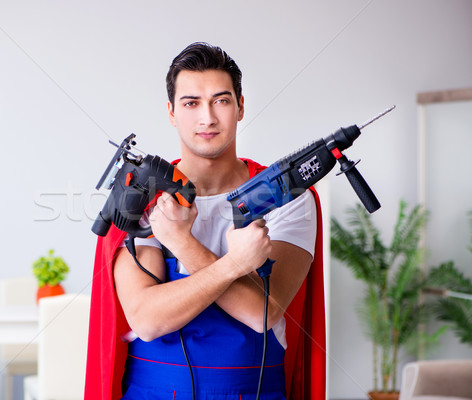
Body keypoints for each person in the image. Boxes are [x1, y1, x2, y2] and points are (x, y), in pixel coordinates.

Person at [85, 42, 326, 399]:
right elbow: (148, 320)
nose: (207, 118)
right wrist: (235, 265)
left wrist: (183, 243)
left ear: (240, 107)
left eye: (221, 100)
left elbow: (262, 312)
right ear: (171, 112)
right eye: (191, 103)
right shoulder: (146, 198)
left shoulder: (286, 198)